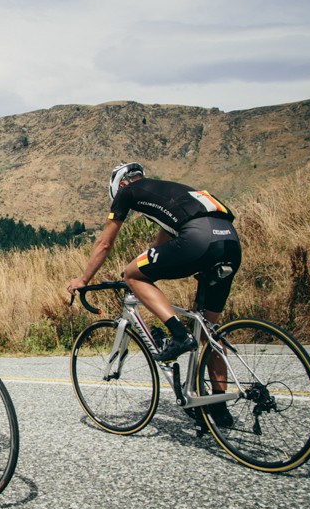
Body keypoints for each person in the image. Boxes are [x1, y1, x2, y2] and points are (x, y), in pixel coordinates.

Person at [66, 162, 242, 424]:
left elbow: (105, 243)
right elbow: (158, 248)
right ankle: (218, 407)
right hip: (229, 243)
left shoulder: (128, 192)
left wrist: (84, 278)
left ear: (121, 185)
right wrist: (144, 268)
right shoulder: (173, 194)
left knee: (132, 275)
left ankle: (179, 335)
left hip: (199, 239)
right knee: (208, 330)